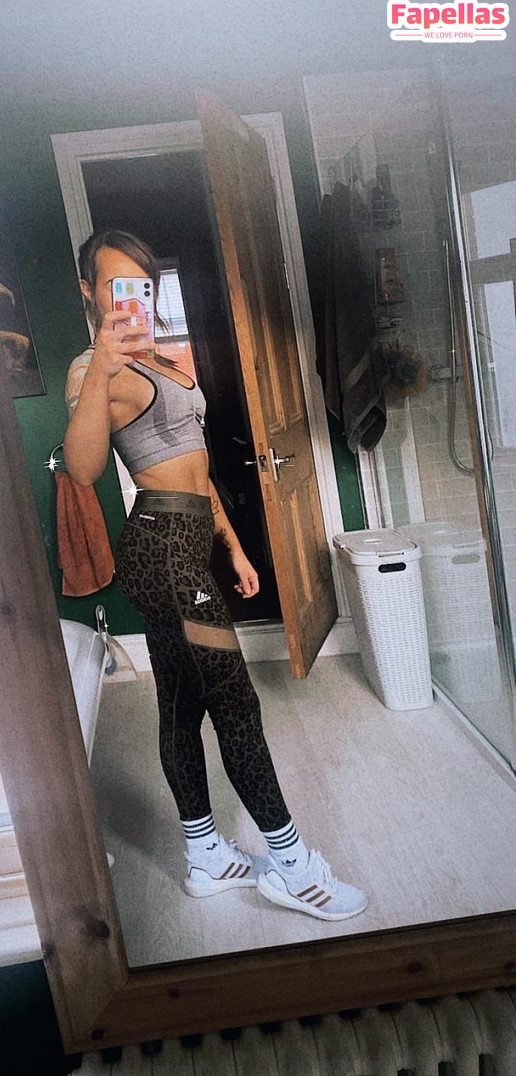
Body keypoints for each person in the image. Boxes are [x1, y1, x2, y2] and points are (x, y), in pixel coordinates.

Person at [63, 229, 368, 922]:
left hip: (190, 543)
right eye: (114, 284)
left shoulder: (163, 361)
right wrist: (102, 368)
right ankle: (291, 865)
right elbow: (81, 469)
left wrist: (231, 546)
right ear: (89, 291)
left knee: (181, 701)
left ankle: (204, 855)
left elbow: (197, 469)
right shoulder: (92, 370)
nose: (131, 297)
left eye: (140, 284)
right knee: (234, 699)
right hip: (162, 548)